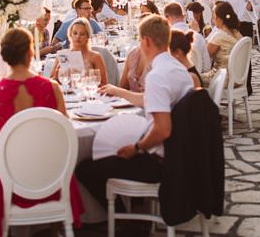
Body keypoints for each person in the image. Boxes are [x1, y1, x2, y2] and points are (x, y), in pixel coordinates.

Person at [78, 15, 194, 205]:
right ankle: (136, 207)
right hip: (181, 153)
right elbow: (153, 100)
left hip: (161, 162)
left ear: (146, 41)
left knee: (86, 168)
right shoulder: (177, 69)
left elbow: (163, 129)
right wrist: (119, 92)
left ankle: (128, 220)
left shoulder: (156, 76)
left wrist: (137, 148)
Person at [0, 27, 83, 236]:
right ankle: (54, 229)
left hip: (9, 183)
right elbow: (64, 131)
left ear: (5, 56)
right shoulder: (52, 87)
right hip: (53, 178)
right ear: (30, 52)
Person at [50, 18, 107, 87]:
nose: (78, 37)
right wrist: (56, 75)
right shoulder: (62, 55)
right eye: (75, 33)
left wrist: (88, 80)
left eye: (82, 34)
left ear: (87, 36)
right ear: (70, 35)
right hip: (67, 94)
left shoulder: (95, 56)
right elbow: (51, 82)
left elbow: (104, 84)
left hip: (87, 94)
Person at [201, 1, 243, 85]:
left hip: (222, 78)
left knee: (191, 77)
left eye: (213, 15)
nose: (212, 18)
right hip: (237, 78)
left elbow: (204, 55)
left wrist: (194, 32)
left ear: (219, 18)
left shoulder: (219, 36)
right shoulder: (238, 34)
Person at [164, 2, 210, 74]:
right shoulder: (198, 36)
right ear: (183, 16)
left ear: (166, 18)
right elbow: (207, 67)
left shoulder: (165, 39)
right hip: (197, 79)